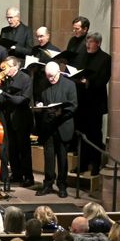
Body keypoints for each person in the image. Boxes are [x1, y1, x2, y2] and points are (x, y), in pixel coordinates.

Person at [35, 61, 77, 198]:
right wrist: (40, 105)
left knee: (63, 158)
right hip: (48, 126)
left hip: (63, 125)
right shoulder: (43, 84)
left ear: (59, 72)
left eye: (52, 76)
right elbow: (40, 102)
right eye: (48, 76)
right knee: (48, 157)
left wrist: (60, 113)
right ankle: (47, 184)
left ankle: (62, 185)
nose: (50, 79)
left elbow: (73, 106)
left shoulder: (69, 85)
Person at [73, 31, 111, 175]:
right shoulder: (82, 56)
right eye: (87, 42)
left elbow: (103, 80)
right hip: (82, 101)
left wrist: (88, 81)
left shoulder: (106, 59)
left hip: (95, 103)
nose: (88, 44)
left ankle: (95, 164)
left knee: (94, 134)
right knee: (81, 134)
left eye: (91, 42)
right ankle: (82, 164)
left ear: (98, 43)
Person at [0, 56, 35, 187]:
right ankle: (16, 174)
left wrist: (3, 93)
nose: (4, 69)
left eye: (7, 66)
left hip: (22, 119)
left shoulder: (25, 79)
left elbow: (23, 100)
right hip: (9, 119)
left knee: (24, 149)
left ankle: (28, 177)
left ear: (15, 67)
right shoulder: (6, 79)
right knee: (12, 149)